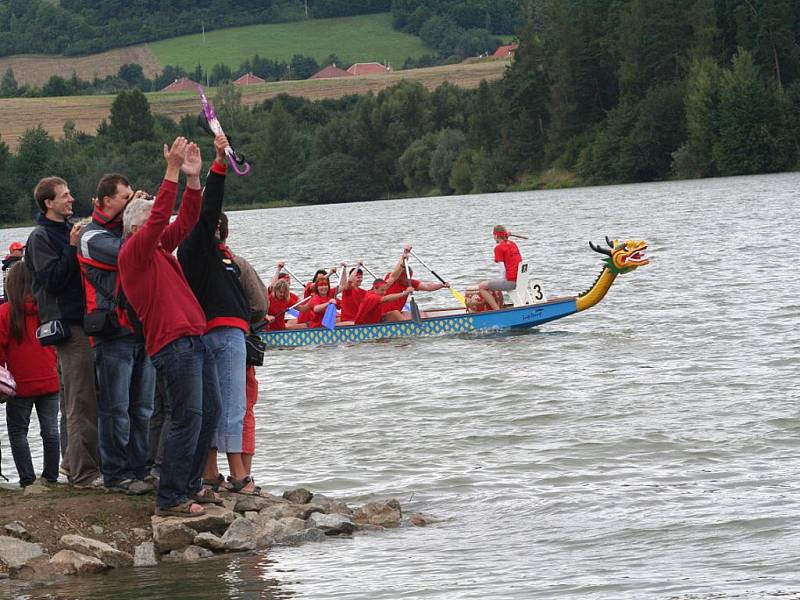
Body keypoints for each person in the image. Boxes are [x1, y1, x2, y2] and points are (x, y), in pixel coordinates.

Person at [118, 137, 220, 517]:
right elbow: (162, 215)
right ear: (135, 229)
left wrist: (193, 179)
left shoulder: (158, 249)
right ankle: (171, 497)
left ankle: (189, 486)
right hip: (173, 345)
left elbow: (188, 219)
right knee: (186, 416)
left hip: (193, 338)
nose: (160, 225)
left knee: (208, 412)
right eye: (150, 222)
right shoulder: (134, 253)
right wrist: (172, 170)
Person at [177, 134, 258, 497]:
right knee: (231, 405)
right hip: (219, 332)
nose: (216, 227)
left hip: (232, 331)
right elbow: (209, 207)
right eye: (210, 223)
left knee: (217, 403)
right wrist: (218, 164)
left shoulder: (222, 256)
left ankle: (211, 474)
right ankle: (239, 476)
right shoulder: (193, 248)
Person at [77, 174, 156, 495]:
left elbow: (150, 248)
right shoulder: (90, 237)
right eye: (124, 198)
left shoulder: (122, 227)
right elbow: (130, 252)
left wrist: (139, 215)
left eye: (129, 198)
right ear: (105, 201)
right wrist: (134, 217)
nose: (129, 203)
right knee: (116, 409)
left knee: (143, 409)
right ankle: (116, 474)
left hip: (140, 329)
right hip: (112, 334)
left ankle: (140, 469)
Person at [25, 176, 101, 489]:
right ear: (49, 203)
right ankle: (84, 474)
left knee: (79, 397)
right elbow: (51, 281)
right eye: (65, 195)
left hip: (83, 322)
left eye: (70, 193)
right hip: (67, 327)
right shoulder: (41, 237)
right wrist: (72, 247)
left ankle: (72, 462)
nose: (71, 199)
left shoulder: (63, 230)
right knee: (80, 401)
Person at [0, 262, 60, 487]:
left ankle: (27, 479)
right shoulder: (47, 309)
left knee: (17, 432)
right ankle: (51, 478)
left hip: (20, 384)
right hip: (50, 379)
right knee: (51, 431)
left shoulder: (5, 312)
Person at [221, 212, 269, 484]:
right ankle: (243, 473)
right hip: (239, 340)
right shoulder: (239, 264)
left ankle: (218, 472)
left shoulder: (196, 262)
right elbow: (261, 305)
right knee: (244, 406)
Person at [381, 246, 448, 322]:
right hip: (382, 315)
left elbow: (427, 287)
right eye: (406, 278)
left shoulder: (410, 282)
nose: (408, 280)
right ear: (400, 276)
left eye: (409, 277)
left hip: (395, 315)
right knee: (395, 313)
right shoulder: (391, 280)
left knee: (400, 313)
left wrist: (441, 285)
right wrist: (404, 256)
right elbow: (395, 272)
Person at [477, 224, 522, 311]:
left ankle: (497, 311)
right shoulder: (513, 244)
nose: (493, 238)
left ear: (496, 235)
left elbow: (502, 269)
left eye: (493, 235)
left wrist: (502, 280)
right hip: (520, 280)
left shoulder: (499, 248)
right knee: (493, 282)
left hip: (511, 282)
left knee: (482, 286)